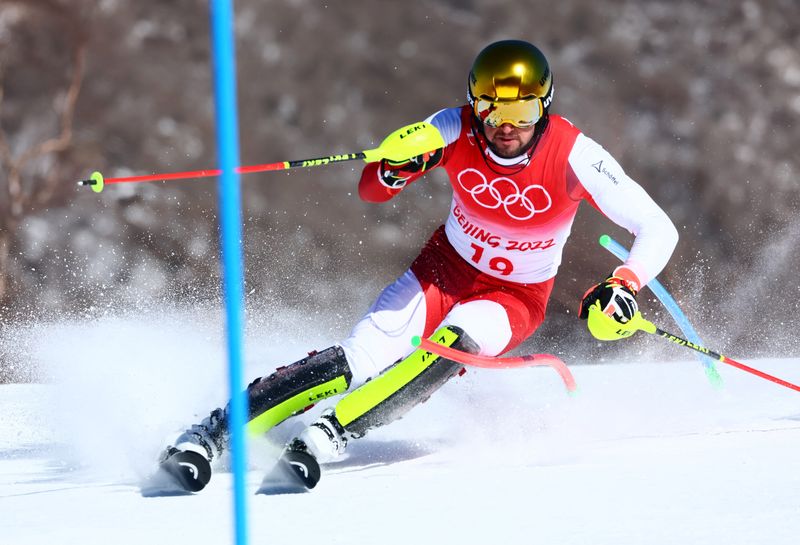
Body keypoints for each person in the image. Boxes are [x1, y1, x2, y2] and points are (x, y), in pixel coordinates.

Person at [158, 39, 679, 492]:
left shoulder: (575, 155)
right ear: (474, 103)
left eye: (522, 114)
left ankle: (330, 434)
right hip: (441, 271)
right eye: (492, 111)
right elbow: (370, 190)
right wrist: (394, 169)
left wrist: (624, 283)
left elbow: (659, 228)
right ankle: (207, 436)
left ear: (545, 105)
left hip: (514, 296)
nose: (505, 128)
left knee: (453, 347)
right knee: (357, 358)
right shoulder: (452, 127)